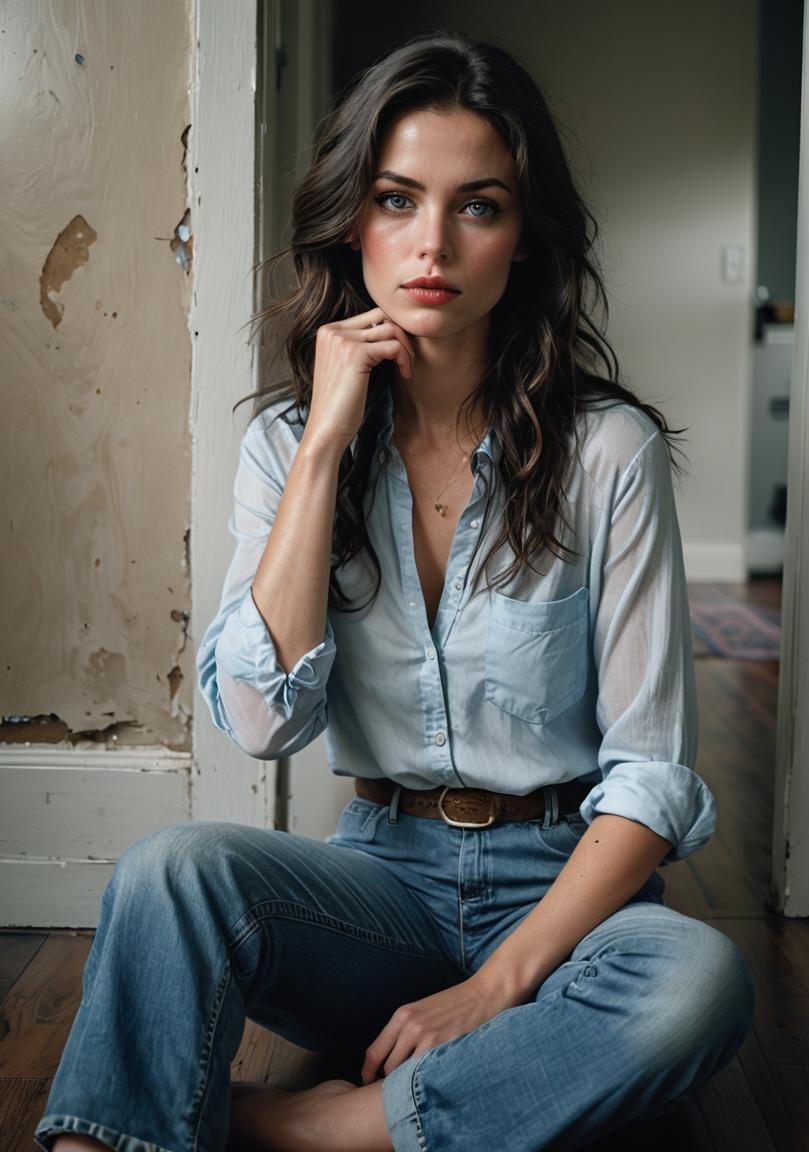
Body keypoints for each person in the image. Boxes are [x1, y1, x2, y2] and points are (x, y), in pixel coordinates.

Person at [35, 32, 756, 1152]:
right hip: (381, 885)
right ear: (351, 218)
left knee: (694, 983)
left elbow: (652, 777)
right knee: (171, 870)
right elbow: (266, 718)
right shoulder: (284, 443)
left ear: (523, 239)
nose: (430, 242)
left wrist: (497, 984)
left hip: (563, 896)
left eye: (477, 206)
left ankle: (321, 1126)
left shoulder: (607, 452)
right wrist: (324, 446)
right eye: (394, 198)